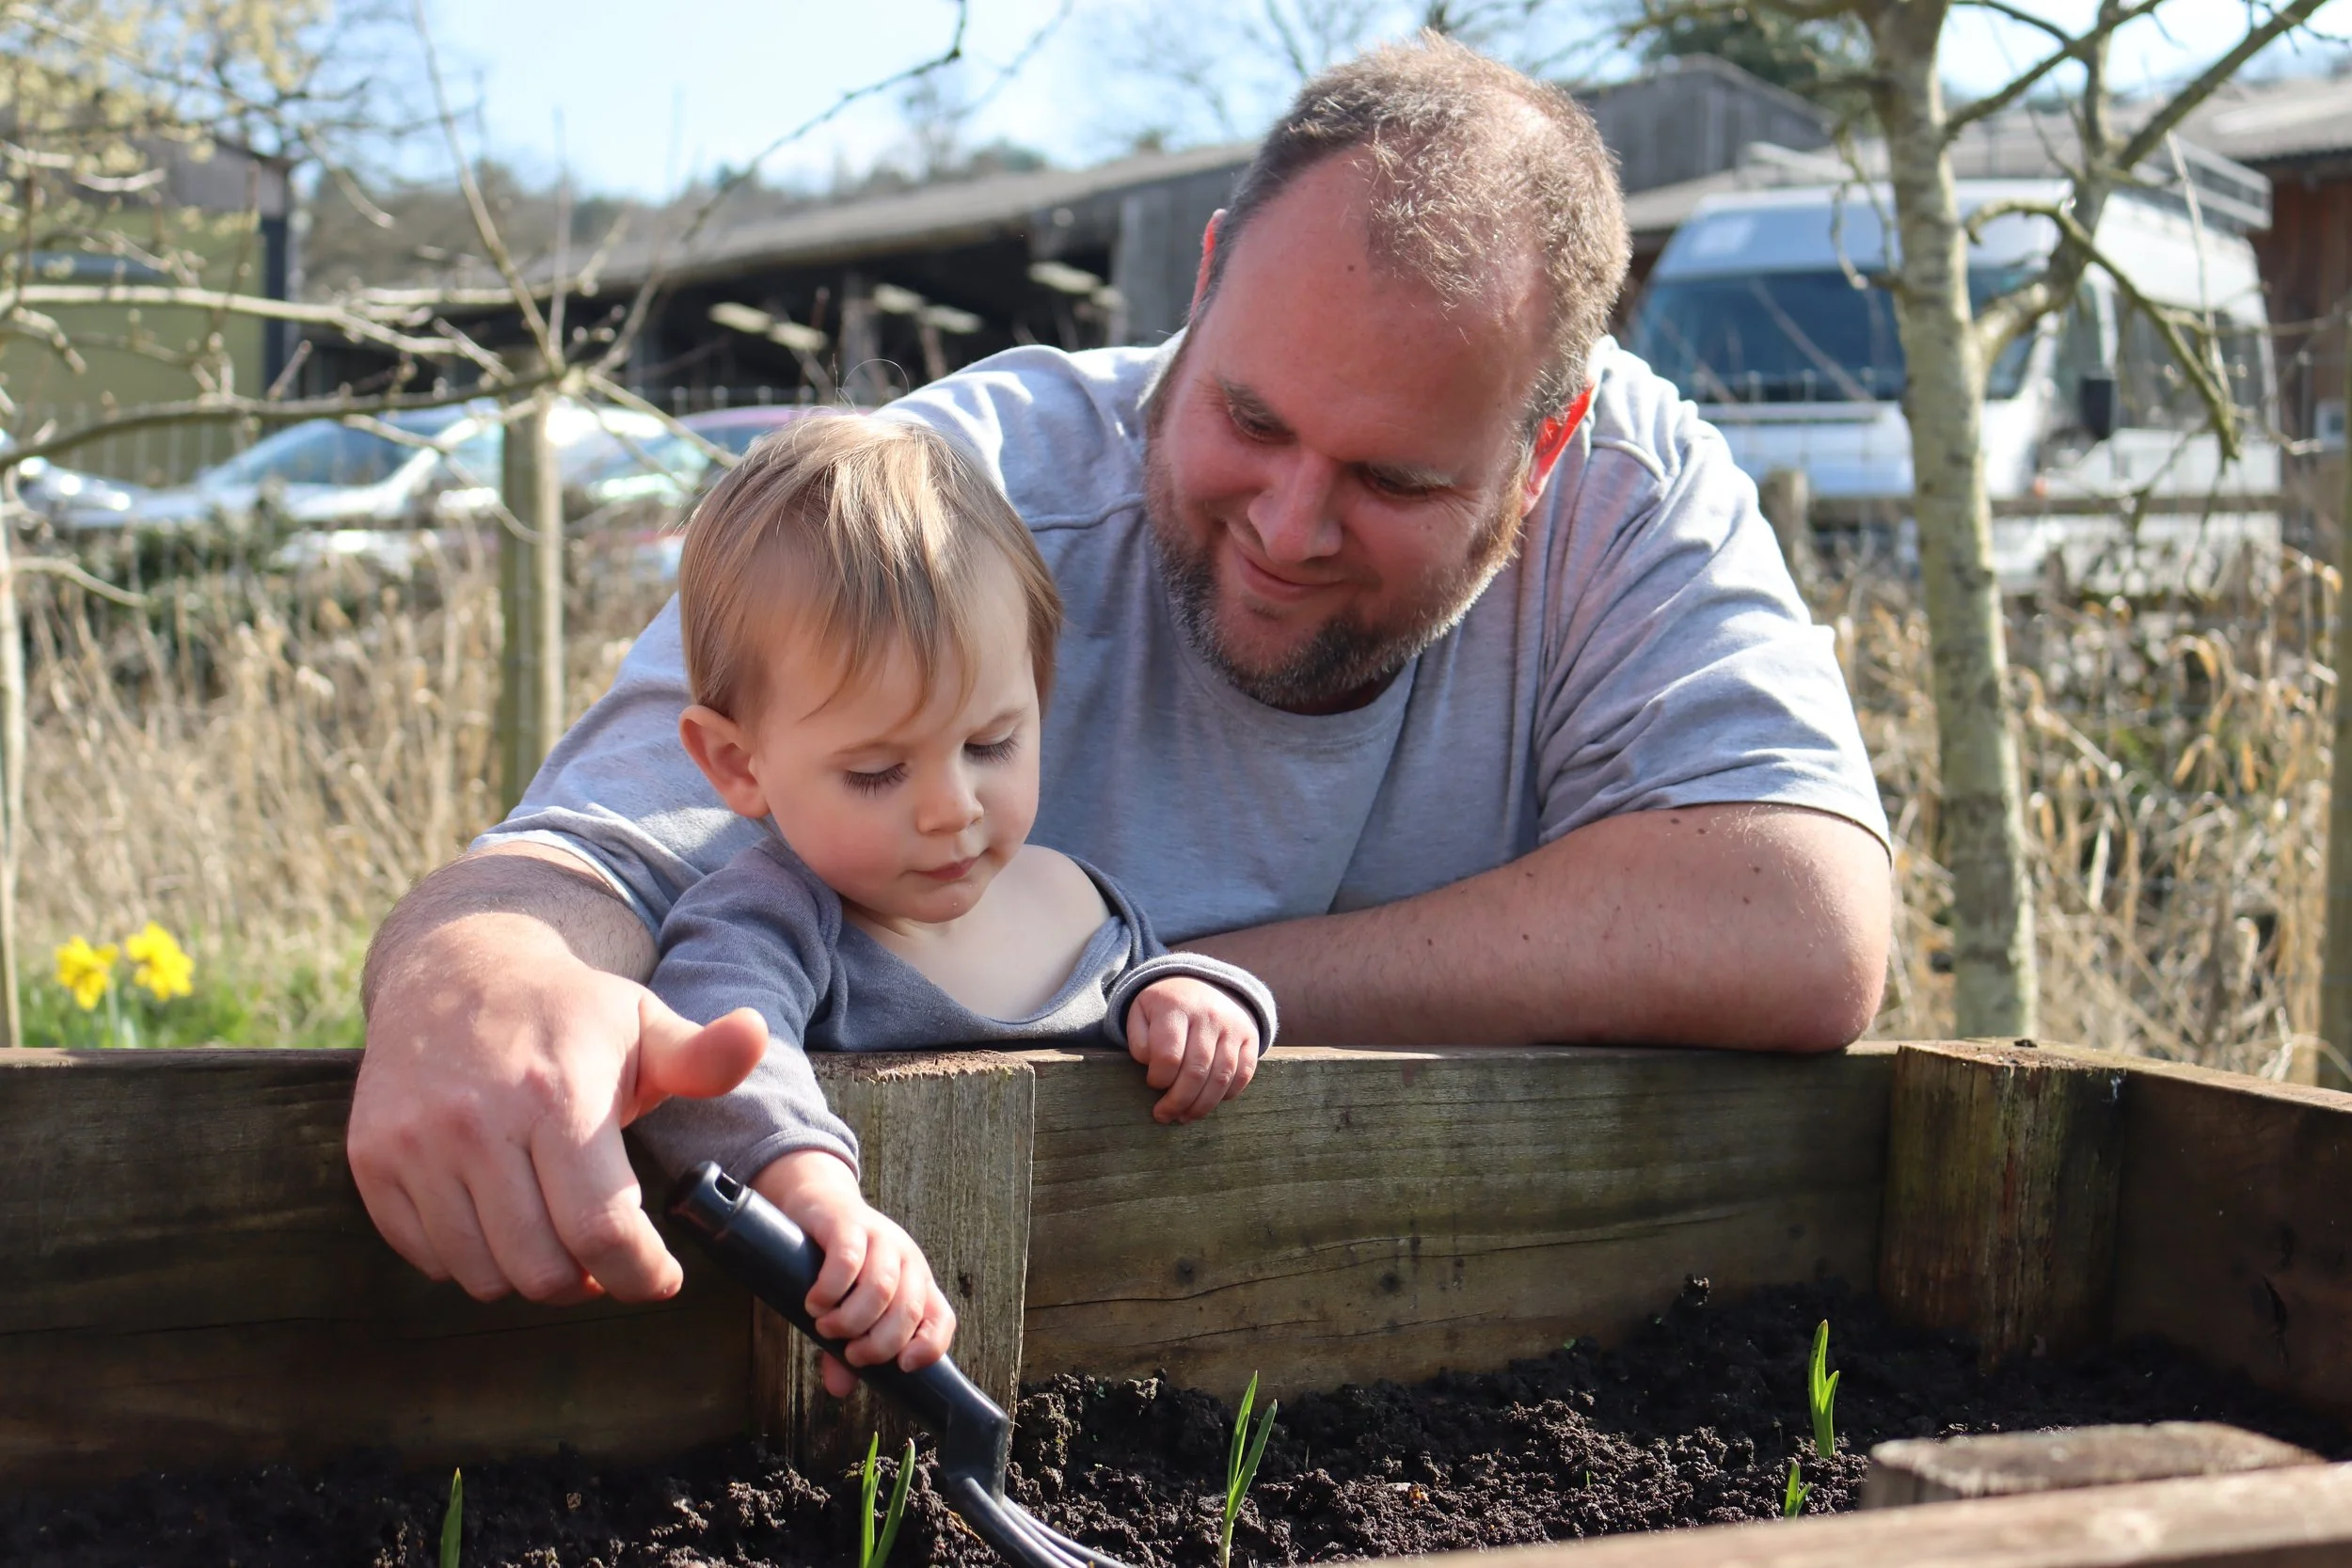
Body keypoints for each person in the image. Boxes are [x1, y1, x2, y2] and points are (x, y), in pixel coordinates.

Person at [349, 37, 1893, 1322]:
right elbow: (584, 861)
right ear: (1204, 283)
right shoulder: (948, 507)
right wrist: (473, 977)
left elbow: (1797, 918)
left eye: (1396, 480)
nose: (1290, 525)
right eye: (1250, 419)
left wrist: (1174, 987)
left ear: (1545, 445)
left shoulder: (1631, 493)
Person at [633, 411, 1277, 1384]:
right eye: (878, 771)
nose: (952, 807)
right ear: (737, 762)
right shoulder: (774, 919)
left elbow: (1151, 985)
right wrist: (816, 1199)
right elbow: (714, 1052)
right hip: (852, 1376)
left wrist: (1192, 1001)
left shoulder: (1074, 901)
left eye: (990, 743)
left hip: (1118, 1341)